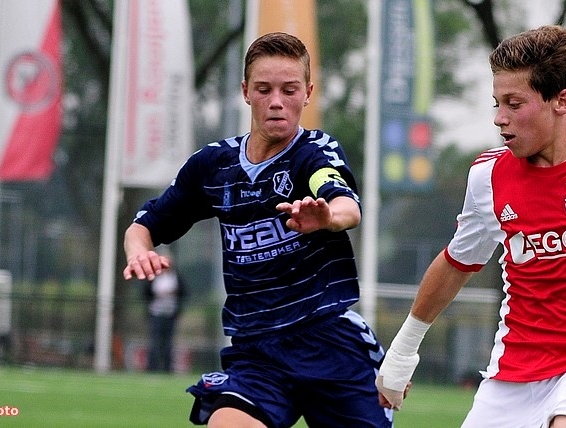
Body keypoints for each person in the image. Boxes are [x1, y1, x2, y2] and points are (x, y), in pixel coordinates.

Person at [376, 25, 566, 428]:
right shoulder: (489, 175)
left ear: (561, 101)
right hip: (509, 376)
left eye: (514, 104)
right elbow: (457, 262)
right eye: (497, 103)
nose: (499, 118)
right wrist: (402, 352)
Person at [123, 32, 391, 427]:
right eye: (264, 89)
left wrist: (328, 217)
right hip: (257, 353)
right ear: (246, 91)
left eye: (289, 90)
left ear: (307, 93)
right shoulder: (213, 166)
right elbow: (144, 225)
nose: (277, 101)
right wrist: (139, 250)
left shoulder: (314, 153)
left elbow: (345, 204)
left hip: (329, 345)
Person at [144, 258, 186, 373]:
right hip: (156, 312)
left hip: (170, 313)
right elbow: (146, 292)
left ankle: (167, 368)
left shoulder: (176, 277)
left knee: (168, 342)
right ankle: (152, 367)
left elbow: (183, 292)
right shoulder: (154, 277)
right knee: (155, 340)